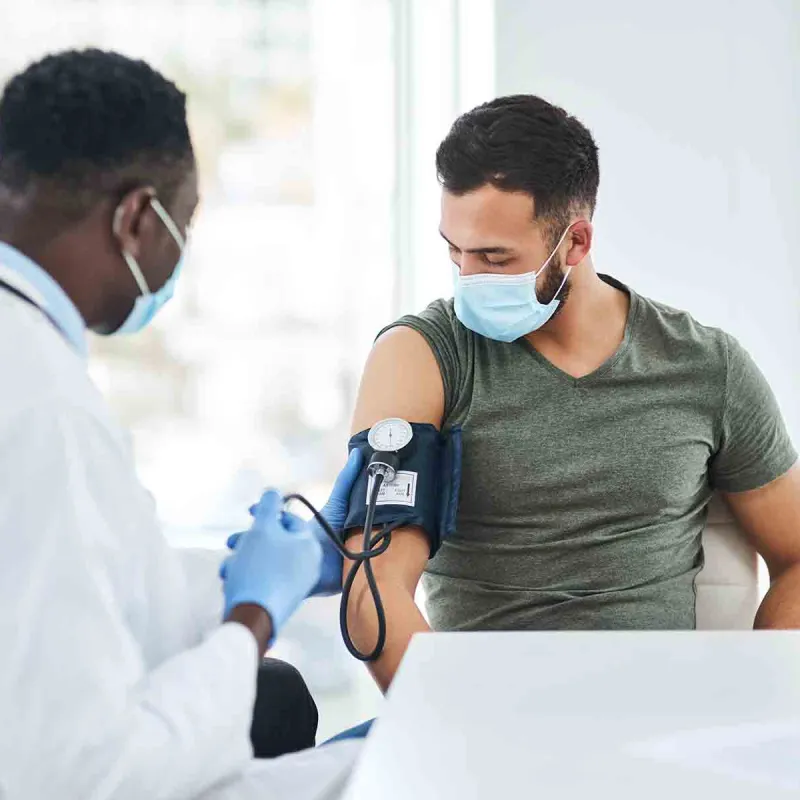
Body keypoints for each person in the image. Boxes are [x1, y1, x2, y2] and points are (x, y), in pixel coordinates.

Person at [0, 49, 364, 799]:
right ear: (136, 218)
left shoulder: (29, 358)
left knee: (286, 700)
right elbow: (89, 775)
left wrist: (270, 573)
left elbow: (88, 585)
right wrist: (255, 613)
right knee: (394, 763)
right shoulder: (42, 403)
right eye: (183, 225)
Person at [344, 94, 800, 691]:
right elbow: (370, 589)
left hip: (659, 720)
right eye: (454, 250)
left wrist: (754, 695)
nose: (467, 278)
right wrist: (454, 728)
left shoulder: (706, 367)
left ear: (576, 242)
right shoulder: (423, 356)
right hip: (479, 717)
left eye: (495, 257)